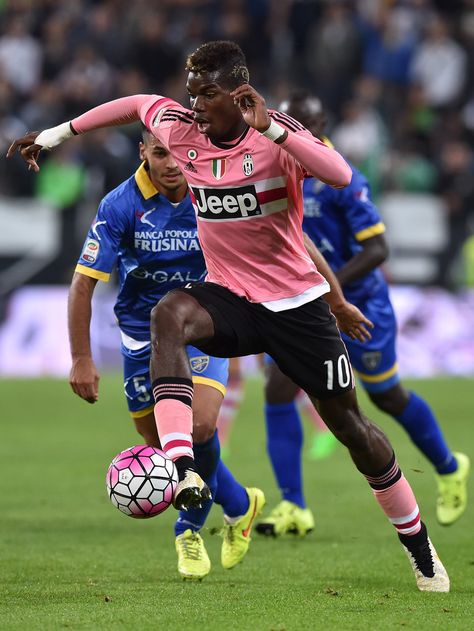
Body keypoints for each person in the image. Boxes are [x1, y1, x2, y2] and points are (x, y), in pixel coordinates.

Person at [7, 40, 450, 592]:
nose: (193, 105)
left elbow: (337, 172)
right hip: (230, 299)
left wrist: (274, 128)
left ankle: (418, 545)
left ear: (237, 93)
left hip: (295, 306)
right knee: (170, 314)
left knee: (353, 429)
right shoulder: (179, 129)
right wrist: (55, 135)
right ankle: (182, 469)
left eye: (206, 94)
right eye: (191, 93)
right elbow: (133, 104)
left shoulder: (274, 137)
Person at [257, 92, 470, 539]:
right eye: (283, 126)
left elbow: (378, 249)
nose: (289, 136)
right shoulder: (271, 170)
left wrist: (329, 282)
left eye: (300, 127)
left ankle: (450, 467)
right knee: (278, 389)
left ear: (318, 127)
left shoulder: (342, 177)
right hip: (303, 305)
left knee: (386, 396)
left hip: (359, 305)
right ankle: (294, 505)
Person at [67, 126, 265, 580]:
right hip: (142, 335)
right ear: (144, 152)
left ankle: (188, 532)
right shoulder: (120, 205)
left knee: (198, 426)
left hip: (205, 323)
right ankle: (240, 504)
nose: (173, 163)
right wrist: (81, 357)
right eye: (161, 153)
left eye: (181, 153)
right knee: (160, 445)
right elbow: (83, 283)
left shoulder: (211, 192)